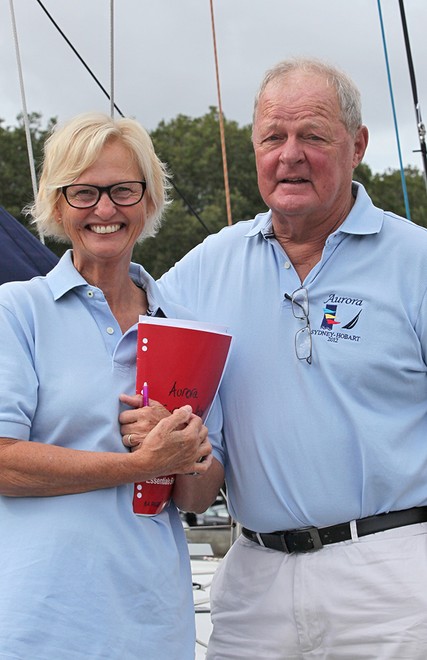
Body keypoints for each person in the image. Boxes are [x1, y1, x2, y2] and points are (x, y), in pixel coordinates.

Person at [157, 57, 427, 658]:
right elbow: (122, 330)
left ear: (357, 145)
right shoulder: (207, 267)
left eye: (313, 135)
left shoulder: (417, 262)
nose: (290, 154)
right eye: (273, 137)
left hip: (395, 577)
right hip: (254, 579)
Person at [0, 112, 216, 660]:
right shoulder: (17, 312)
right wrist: (138, 466)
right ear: (56, 204)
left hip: (152, 627)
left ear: (148, 200)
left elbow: (200, 495)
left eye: (123, 190)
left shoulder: (185, 328)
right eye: (84, 193)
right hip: (38, 627)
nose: (104, 209)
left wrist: (187, 453)